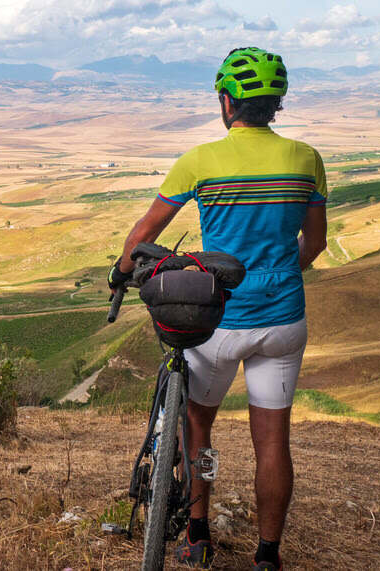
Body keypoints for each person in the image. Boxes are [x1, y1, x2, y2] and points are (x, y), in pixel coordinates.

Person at [109, 47, 327, 570]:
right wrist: (276, 273)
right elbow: (314, 246)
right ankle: (268, 557)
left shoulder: (200, 161)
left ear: (227, 103)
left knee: (195, 428)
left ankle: (199, 534)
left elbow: (143, 236)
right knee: (272, 441)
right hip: (283, 320)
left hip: (218, 319)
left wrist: (119, 273)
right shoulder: (306, 160)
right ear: (275, 104)